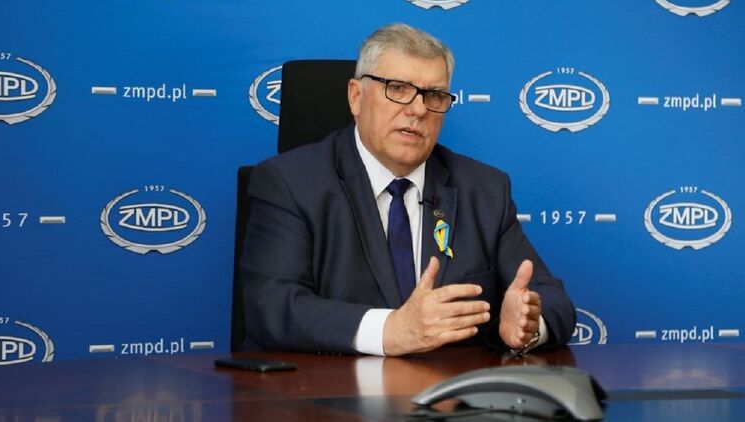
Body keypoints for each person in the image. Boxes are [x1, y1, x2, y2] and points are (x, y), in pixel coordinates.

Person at [241, 23, 575, 356]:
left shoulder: (485, 190)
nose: (418, 110)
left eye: (434, 95)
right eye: (398, 88)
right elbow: (272, 306)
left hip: (449, 388)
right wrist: (391, 330)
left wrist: (529, 324)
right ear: (356, 97)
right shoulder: (289, 183)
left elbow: (552, 300)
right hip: (329, 386)